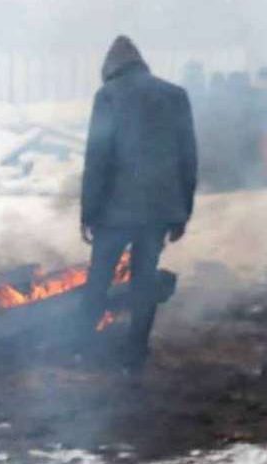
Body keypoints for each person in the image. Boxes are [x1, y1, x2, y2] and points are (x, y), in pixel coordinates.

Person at [80, 36, 197, 372]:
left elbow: (98, 158)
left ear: (110, 69)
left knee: (99, 278)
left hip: (114, 212)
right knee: (143, 281)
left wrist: (88, 212)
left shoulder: (108, 96)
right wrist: (183, 211)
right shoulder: (175, 95)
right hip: (159, 210)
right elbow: (188, 158)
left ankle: (85, 347)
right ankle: (136, 350)